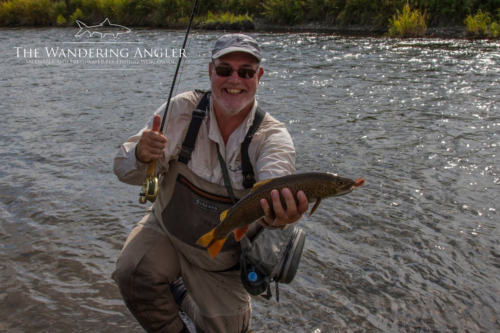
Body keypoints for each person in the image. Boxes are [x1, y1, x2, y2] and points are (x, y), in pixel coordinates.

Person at [112, 34, 309, 333]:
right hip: (167, 234)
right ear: (210, 71)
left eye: (246, 71)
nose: (234, 79)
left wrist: (281, 216)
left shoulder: (273, 138)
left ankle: (181, 294)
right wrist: (140, 154)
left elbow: (275, 187)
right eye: (224, 69)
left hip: (224, 259)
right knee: (131, 272)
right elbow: (125, 173)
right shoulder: (181, 111)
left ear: (259, 76)